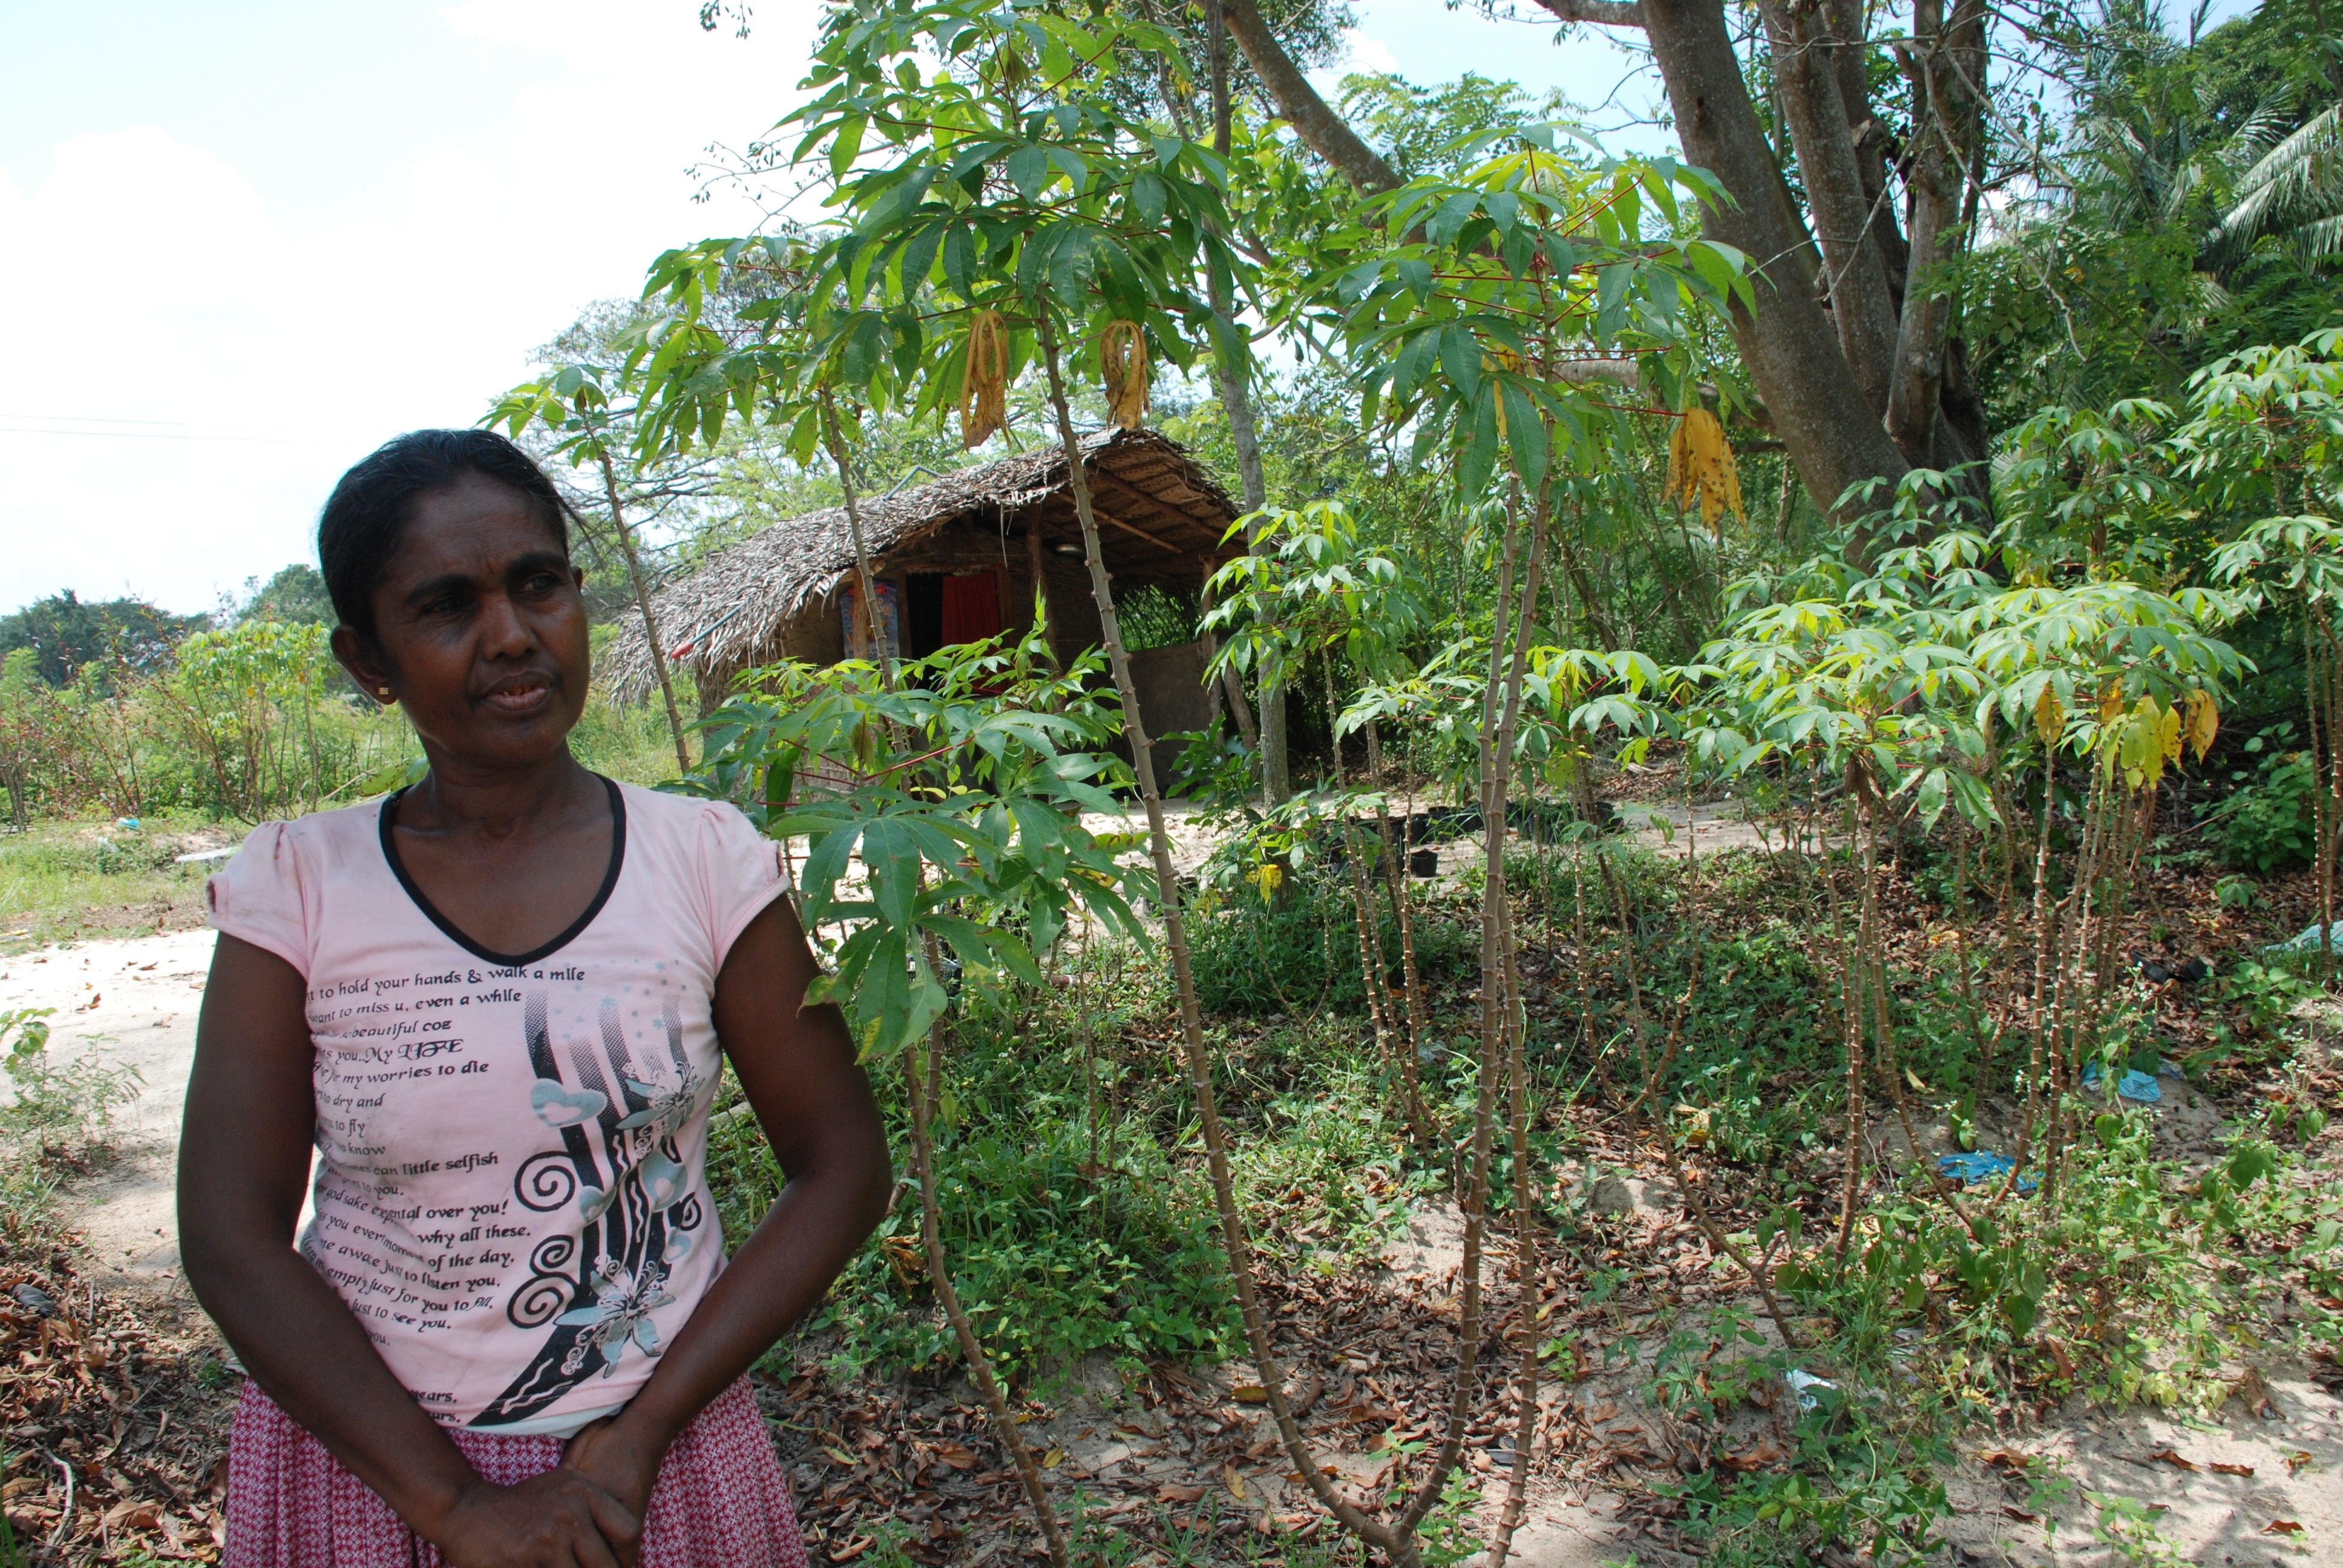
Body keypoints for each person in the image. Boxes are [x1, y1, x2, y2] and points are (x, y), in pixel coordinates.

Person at [180, 429, 891, 1568]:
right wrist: (458, 1510)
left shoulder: (706, 859)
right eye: (447, 605)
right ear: (368, 661)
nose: (512, 634)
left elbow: (844, 1162)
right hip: (380, 1474)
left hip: (650, 1463)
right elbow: (230, 1237)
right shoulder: (299, 888)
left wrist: (640, 1431)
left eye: (538, 584)